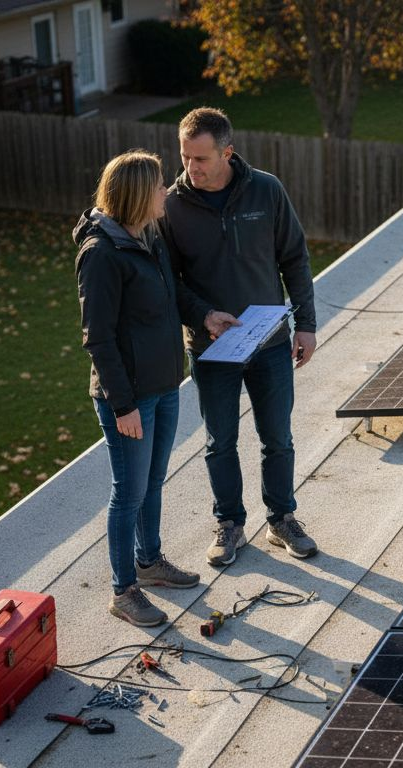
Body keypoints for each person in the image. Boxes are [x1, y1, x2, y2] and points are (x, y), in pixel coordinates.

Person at [160, 107, 318, 567]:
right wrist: (203, 315)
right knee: (219, 442)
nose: (191, 168)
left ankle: (282, 519)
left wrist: (305, 324)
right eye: (185, 157)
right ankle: (229, 524)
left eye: (201, 158)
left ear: (227, 152)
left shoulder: (266, 190)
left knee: (278, 438)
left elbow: (295, 258)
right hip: (211, 349)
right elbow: (169, 280)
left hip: (269, 343)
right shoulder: (171, 205)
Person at [74, 149, 201, 627]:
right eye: (158, 185)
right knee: (128, 492)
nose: (165, 191)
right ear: (135, 195)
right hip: (129, 399)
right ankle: (123, 591)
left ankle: (150, 563)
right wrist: (122, 405)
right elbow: (98, 338)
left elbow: (172, 299)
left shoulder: (148, 237)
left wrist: (205, 316)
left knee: (151, 482)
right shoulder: (101, 254)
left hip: (165, 385)